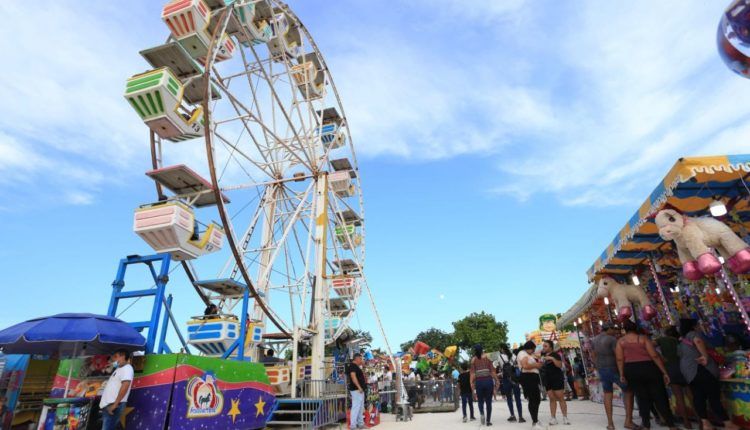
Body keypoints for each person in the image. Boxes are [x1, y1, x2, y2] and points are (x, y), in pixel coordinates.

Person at [679, 318, 739, 430]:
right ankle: (728, 424)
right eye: (698, 325)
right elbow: (698, 341)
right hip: (702, 370)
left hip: (690, 374)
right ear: (693, 326)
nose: (699, 327)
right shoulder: (693, 334)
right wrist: (705, 357)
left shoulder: (682, 340)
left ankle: (706, 424)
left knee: (699, 397)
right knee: (714, 397)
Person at [616, 320, 677, 430]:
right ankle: (671, 425)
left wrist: (621, 374)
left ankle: (646, 425)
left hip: (632, 370)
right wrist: (664, 372)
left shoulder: (621, 342)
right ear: (635, 329)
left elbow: (620, 359)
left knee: (642, 398)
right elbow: (654, 355)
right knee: (660, 396)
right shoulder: (643, 339)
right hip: (649, 368)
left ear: (625, 330)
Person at [591, 324, 635, 430]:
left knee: (607, 394)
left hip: (602, 369)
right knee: (628, 391)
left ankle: (610, 423)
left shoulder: (594, 340)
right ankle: (628, 421)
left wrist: (598, 367)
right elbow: (618, 355)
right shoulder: (612, 339)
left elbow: (593, 355)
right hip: (614, 368)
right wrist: (622, 372)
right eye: (614, 329)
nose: (615, 331)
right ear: (609, 329)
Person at [657, 326, 693, 429]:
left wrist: (661, 357)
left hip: (671, 370)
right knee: (691, 396)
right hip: (684, 368)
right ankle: (701, 421)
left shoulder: (662, 340)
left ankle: (686, 422)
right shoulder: (681, 340)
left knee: (679, 398)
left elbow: (651, 345)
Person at [100, 349, 134, 430]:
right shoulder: (119, 368)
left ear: (123, 356)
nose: (114, 360)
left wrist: (115, 404)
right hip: (109, 405)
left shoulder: (127, 368)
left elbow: (125, 385)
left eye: (116, 357)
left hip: (113, 406)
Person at [541, 340, 570, 425]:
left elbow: (559, 365)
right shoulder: (543, 355)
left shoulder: (556, 355)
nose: (544, 348)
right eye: (543, 346)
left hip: (556, 378)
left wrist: (552, 358)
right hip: (547, 379)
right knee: (551, 399)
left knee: (561, 398)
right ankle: (553, 418)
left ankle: (565, 417)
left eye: (545, 346)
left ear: (550, 347)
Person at [470, 344, 498, 426]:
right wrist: (496, 380)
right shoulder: (488, 357)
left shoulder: (473, 360)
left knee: (480, 401)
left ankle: (482, 413)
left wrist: (471, 383)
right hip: (488, 381)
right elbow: (492, 371)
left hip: (479, 382)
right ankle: (488, 421)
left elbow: (472, 374)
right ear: (482, 349)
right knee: (489, 402)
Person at [518, 341, 544, 430]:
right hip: (528, 377)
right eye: (533, 349)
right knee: (533, 399)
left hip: (532, 377)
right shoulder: (522, 353)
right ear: (529, 348)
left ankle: (535, 419)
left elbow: (537, 357)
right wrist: (536, 365)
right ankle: (535, 421)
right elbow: (525, 366)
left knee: (536, 399)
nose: (533, 351)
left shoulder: (529, 354)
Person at [499, 344, 525, 423]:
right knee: (518, 398)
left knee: (509, 398)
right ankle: (520, 417)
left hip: (506, 379)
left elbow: (500, 367)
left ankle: (512, 416)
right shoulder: (513, 355)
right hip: (514, 378)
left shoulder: (500, 357)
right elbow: (518, 366)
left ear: (502, 349)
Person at [347, 353, 367, 430]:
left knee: (360, 408)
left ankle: (360, 424)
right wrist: (359, 387)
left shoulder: (356, 367)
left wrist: (363, 365)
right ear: (357, 358)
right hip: (356, 390)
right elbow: (353, 377)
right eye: (361, 359)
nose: (361, 360)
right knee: (356, 408)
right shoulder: (352, 366)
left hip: (360, 390)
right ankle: (353, 426)